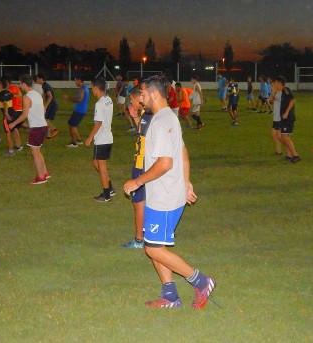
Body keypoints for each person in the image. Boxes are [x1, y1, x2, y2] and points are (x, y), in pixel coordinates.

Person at [123, 75, 216, 309]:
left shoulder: (162, 121)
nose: (140, 98)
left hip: (164, 196)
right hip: (164, 193)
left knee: (152, 248)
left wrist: (137, 182)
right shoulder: (166, 118)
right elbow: (182, 151)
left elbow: (165, 163)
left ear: (154, 94)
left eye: (142, 94)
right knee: (155, 246)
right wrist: (187, 182)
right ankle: (171, 297)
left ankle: (201, 281)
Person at [122, 85, 152, 249]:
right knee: (147, 201)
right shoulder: (145, 115)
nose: (133, 103)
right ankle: (151, 232)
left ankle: (139, 239)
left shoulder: (148, 116)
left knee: (138, 203)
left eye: (133, 100)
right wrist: (134, 117)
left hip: (142, 165)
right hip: (145, 164)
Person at [8, 75, 49, 185]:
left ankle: (41, 177)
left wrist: (13, 124)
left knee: (34, 152)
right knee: (37, 151)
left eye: (20, 83)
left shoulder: (26, 97)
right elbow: (43, 110)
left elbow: (24, 114)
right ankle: (45, 173)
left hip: (36, 128)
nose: (20, 86)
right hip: (43, 126)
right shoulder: (37, 94)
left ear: (24, 84)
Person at [84, 78, 115, 202]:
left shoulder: (100, 103)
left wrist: (89, 137)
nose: (92, 90)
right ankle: (110, 188)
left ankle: (106, 194)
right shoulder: (108, 100)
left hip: (102, 139)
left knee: (101, 167)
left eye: (93, 88)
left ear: (97, 88)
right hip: (108, 137)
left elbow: (99, 123)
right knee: (96, 163)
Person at [272, 76, 300, 163]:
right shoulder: (281, 92)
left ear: (279, 83)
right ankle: (291, 154)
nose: (274, 85)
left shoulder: (286, 90)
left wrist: (287, 112)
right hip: (283, 118)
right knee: (280, 136)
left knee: (285, 138)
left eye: (275, 83)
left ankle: (295, 155)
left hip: (287, 118)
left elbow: (293, 100)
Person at [0, 77, 23, 156]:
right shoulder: (7, 92)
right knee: (14, 129)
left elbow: (5, 103)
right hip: (12, 112)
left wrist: (6, 114)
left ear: (1, 84)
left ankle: (11, 151)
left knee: (8, 132)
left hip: (8, 114)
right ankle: (18, 146)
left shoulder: (3, 93)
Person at [63, 76, 90, 147]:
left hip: (79, 110)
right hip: (79, 110)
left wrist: (68, 98)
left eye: (76, 81)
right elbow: (79, 99)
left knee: (71, 125)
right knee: (73, 124)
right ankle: (78, 140)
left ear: (79, 80)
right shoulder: (84, 88)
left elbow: (80, 99)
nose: (75, 82)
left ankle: (74, 143)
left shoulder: (82, 89)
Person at [35, 74, 59, 140]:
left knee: (45, 119)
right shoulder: (43, 86)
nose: (36, 80)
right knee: (46, 119)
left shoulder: (46, 86)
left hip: (51, 105)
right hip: (50, 105)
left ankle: (54, 129)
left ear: (41, 79)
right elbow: (43, 96)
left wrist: (45, 106)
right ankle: (48, 136)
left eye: (37, 79)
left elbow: (50, 96)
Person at [268, 81, 283, 155]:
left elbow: (270, 100)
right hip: (276, 117)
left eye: (272, 85)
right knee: (275, 135)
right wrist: (273, 92)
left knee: (278, 136)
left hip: (279, 118)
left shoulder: (280, 94)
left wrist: (273, 91)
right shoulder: (276, 93)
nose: (271, 87)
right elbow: (270, 101)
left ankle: (289, 149)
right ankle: (278, 151)